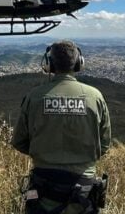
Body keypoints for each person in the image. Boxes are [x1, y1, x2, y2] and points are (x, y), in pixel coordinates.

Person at [12, 40, 111, 214]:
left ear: (49, 65)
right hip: (83, 191)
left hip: (42, 187)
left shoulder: (34, 96)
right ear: (79, 63)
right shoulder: (95, 97)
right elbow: (104, 145)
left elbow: (19, 141)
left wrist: (44, 151)